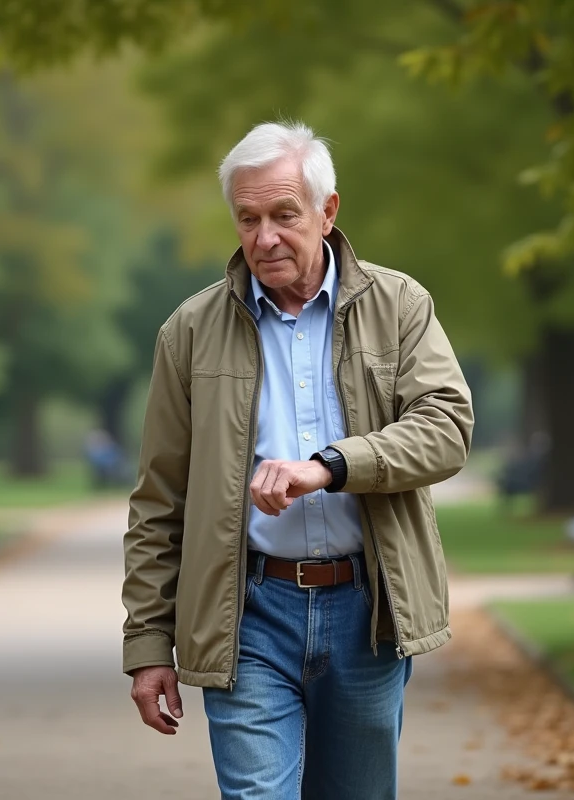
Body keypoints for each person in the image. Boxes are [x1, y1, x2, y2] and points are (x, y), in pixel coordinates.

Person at [121, 120, 474, 799]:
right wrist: (147, 648)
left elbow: (447, 427)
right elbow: (159, 502)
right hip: (247, 612)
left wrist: (331, 465)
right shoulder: (189, 333)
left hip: (367, 610)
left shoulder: (399, 306)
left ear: (328, 211)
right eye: (247, 219)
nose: (264, 237)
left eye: (284, 214)